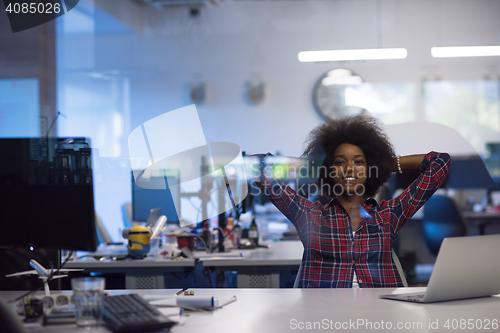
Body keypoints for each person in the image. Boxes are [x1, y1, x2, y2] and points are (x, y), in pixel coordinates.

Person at [254, 115, 451, 288]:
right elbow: (261, 167)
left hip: (382, 315)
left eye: (358, 162)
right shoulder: (309, 215)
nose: (349, 168)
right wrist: (312, 163)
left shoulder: (389, 214)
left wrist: (385, 163)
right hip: (323, 317)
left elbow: (440, 163)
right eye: (340, 162)